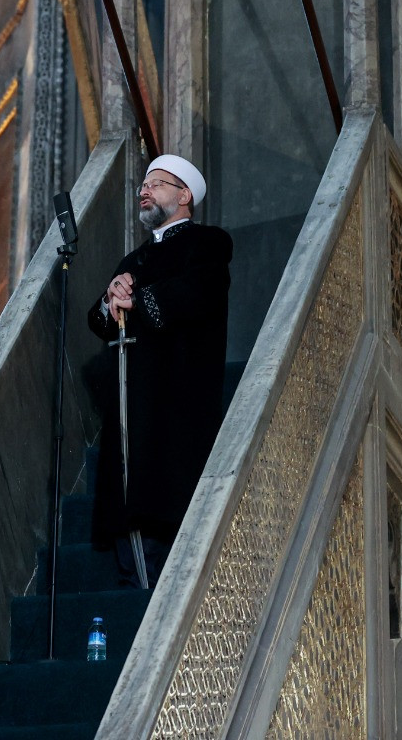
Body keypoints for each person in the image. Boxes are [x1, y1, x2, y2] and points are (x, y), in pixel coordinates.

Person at [86, 154, 232, 589]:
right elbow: (98, 322)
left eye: (157, 184)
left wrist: (139, 301)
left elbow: (196, 293)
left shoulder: (207, 243)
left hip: (176, 398)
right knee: (129, 514)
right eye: (143, 186)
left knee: (166, 506)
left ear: (184, 195)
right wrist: (111, 299)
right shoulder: (133, 259)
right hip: (133, 404)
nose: (144, 191)